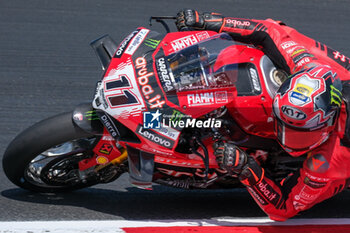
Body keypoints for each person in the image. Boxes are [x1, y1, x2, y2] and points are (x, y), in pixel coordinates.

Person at [176, 9, 350, 221]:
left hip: (340, 155)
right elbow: (268, 30)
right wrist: (207, 21)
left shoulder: (329, 163)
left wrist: (248, 170)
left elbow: (283, 209)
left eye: (299, 132)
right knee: (280, 31)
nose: (288, 138)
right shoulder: (309, 69)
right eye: (287, 127)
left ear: (326, 123)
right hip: (338, 76)